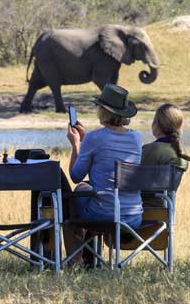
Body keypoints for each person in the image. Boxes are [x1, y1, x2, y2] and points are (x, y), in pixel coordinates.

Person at [64, 84, 142, 266]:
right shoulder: (136, 138)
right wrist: (85, 141)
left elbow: (75, 175)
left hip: (103, 213)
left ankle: (75, 259)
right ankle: (91, 258)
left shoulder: (95, 138)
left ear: (103, 111)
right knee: (91, 190)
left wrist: (76, 144)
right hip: (133, 215)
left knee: (78, 191)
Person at [141, 103, 190, 206]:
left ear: (156, 124)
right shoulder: (179, 152)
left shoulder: (149, 150)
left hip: (142, 208)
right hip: (166, 210)